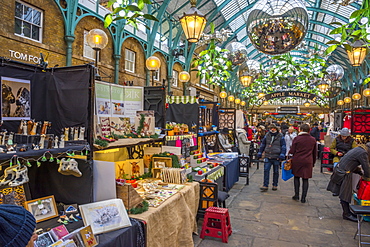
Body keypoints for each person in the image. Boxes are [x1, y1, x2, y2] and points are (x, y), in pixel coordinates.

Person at [327, 143, 370, 222]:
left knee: (345, 193)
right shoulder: (363, 153)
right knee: (345, 194)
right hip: (344, 172)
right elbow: (366, 168)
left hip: (341, 170)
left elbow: (352, 162)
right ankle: (346, 214)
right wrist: (367, 178)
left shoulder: (359, 149)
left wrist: (360, 172)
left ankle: (347, 212)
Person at [288, 124, 317, 203]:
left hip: (298, 160)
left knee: (296, 177)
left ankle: (296, 195)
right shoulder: (313, 139)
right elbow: (314, 153)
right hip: (308, 161)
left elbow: (292, 151)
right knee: (305, 179)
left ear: (300, 130)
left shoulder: (297, 139)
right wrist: (313, 162)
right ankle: (303, 197)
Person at [257, 124, 286, 192]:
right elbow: (263, 144)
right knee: (266, 170)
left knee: (276, 171)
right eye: (271, 128)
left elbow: (283, 146)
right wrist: (260, 152)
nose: (272, 129)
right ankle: (265, 185)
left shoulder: (280, 136)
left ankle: (275, 184)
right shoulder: (267, 135)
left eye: (274, 128)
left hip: (276, 156)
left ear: (276, 129)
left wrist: (282, 154)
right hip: (268, 155)